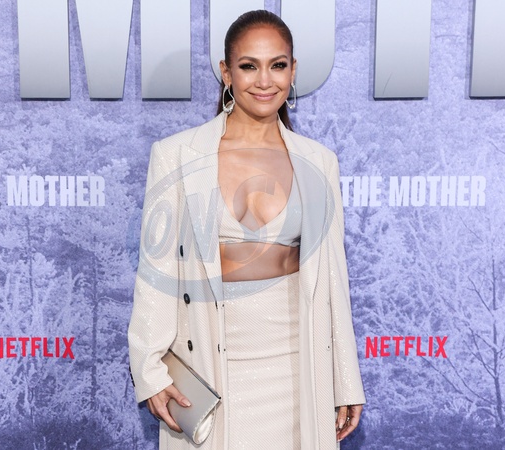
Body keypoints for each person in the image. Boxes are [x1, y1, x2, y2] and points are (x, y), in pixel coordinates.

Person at [128, 10, 365, 449]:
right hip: (210, 367)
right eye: (249, 66)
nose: (265, 80)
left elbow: (334, 279)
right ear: (226, 72)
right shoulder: (176, 155)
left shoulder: (319, 162)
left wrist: (345, 379)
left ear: (293, 71)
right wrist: (149, 370)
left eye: (278, 65)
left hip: (299, 368)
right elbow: (155, 272)